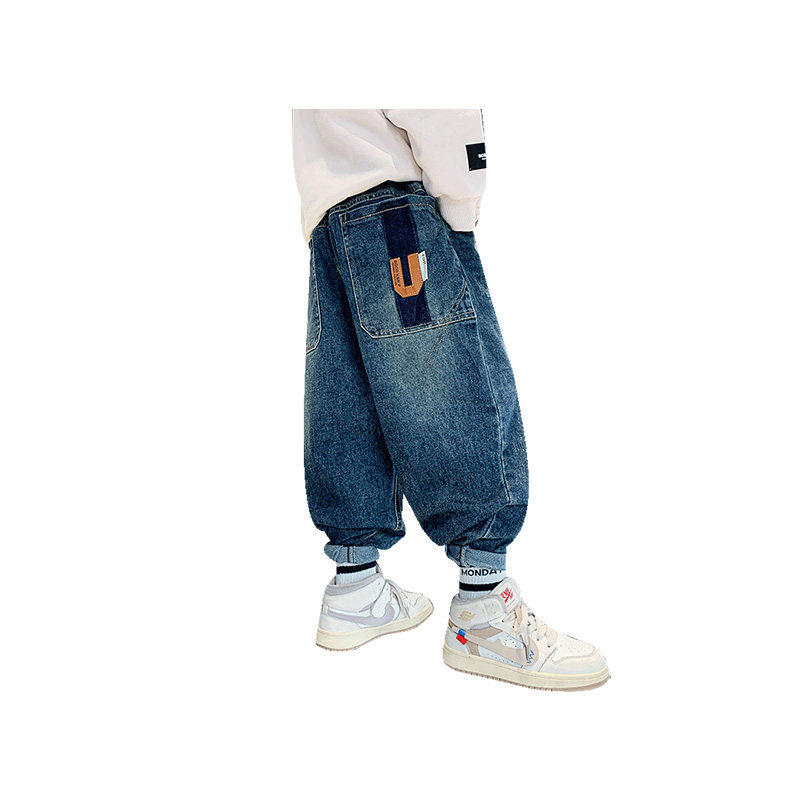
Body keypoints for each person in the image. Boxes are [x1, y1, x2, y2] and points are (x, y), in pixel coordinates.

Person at [292, 109, 609, 690]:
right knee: (459, 383)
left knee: (348, 392)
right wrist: (461, 206)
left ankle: (356, 587)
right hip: (398, 205)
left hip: (328, 213)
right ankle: (484, 613)